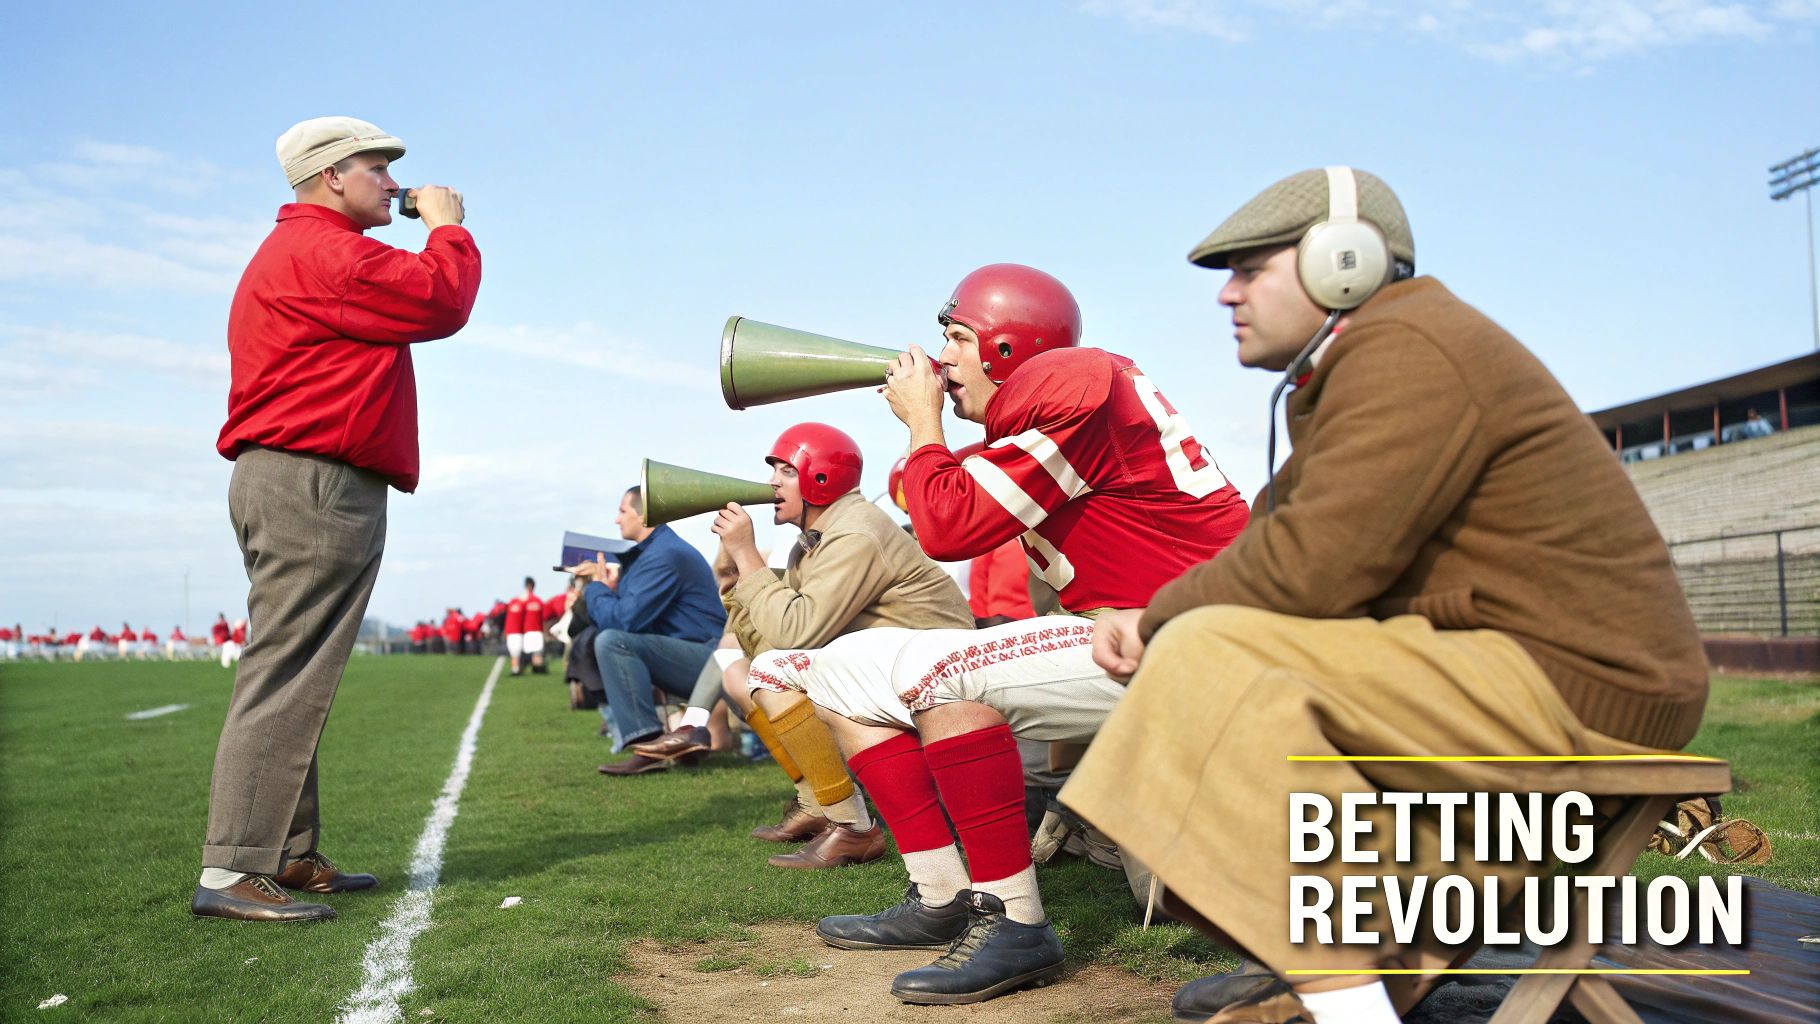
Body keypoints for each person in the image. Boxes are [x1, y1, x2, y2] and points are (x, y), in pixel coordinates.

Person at [1064, 167, 1709, 1024]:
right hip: (1511, 663)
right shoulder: (1369, 359)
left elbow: (1311, 569)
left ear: (1345, 262)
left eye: (1251, 270)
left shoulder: (1409, 347)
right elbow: (1276, 531)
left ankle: (1350, 1004)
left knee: (1217, 657)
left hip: (1581, 681)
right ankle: (1345, 981)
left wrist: (1158, 616)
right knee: (1221, 650)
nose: (1227, 295)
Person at [746, 265, 1250, 1005]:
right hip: (1145, 628)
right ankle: (942, 893)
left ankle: (1014, 922)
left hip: (1197, 632)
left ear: (1009, 348)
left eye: (957, 338)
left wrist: (925, 425)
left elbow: (949, 525)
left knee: (946, 675)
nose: (940, 359)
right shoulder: (1058, 405)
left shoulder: (1073, 385)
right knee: (836, 667)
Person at [196, 115, 480, 923]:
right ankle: (231, 869)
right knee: (286, 672)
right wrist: (450, 231)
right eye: (377, 168)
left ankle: (283, 850)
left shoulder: (306, 248)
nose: (393, 182)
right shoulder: (326, 250)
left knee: (300, 672)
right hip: (314, 480)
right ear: (330, 177)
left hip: (297, 476)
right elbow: (439, 298)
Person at [632, 423, 974, 871]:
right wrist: (735, 568)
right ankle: (819, 800)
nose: (772, 482)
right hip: (893, 664)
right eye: (773, 470)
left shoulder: (854, 533)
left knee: (773, 675)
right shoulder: (813, 541)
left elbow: (795, 634)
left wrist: (748, 555)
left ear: (820, 477)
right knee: (739, 672)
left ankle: (853, 828)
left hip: (938, 673)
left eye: (785, 470)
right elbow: (764, 640)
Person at [573, 487, 727, 773]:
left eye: (622, 511)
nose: (616, 520)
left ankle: (647, 747)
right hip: (698, 654)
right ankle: (669, 745)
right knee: (610, 640)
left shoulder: (663, 555)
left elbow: (622, 622)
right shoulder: (654, 553)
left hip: (712, 660)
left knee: (613, 642)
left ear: (644, 516)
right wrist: (606, 590)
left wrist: (596, 586)